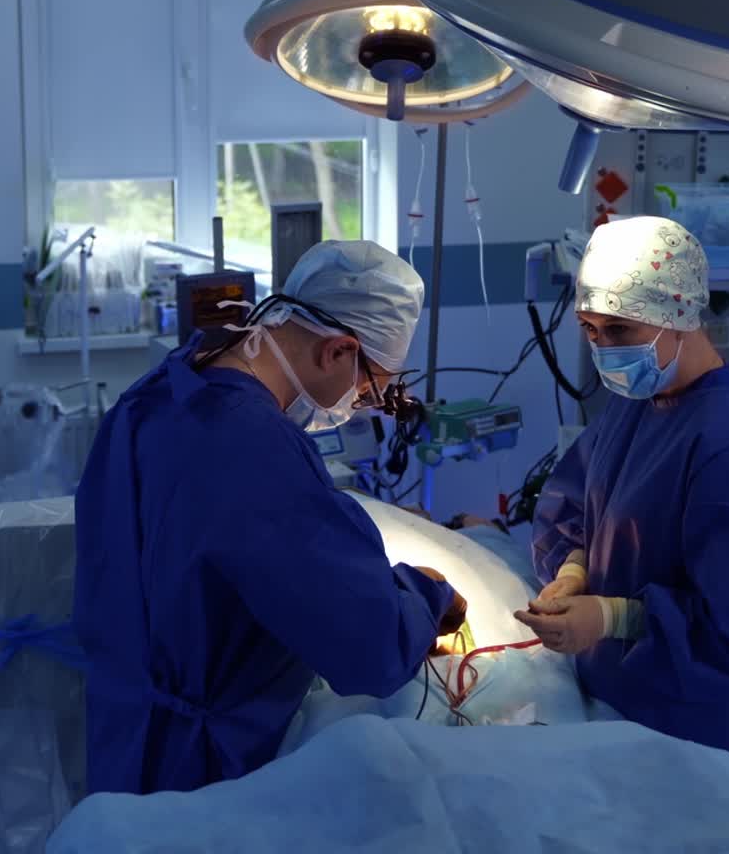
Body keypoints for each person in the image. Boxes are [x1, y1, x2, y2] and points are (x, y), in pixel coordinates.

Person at [74, 240, 466, 797]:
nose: (358, 403)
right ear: (336, 352)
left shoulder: (160, 394)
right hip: (202, 763)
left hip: (126, 727)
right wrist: (427, 597)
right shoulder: (251, 444)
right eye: (368, 386)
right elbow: (366, 645)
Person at [516, 216, 729, 795]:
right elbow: (576, 503)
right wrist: (576, 570)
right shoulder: (641, 402)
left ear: (679, 319)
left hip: (708, 737)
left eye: (620, 329)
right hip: (625, 704)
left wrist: (612, 618)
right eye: (588, 328)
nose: (602, 346)